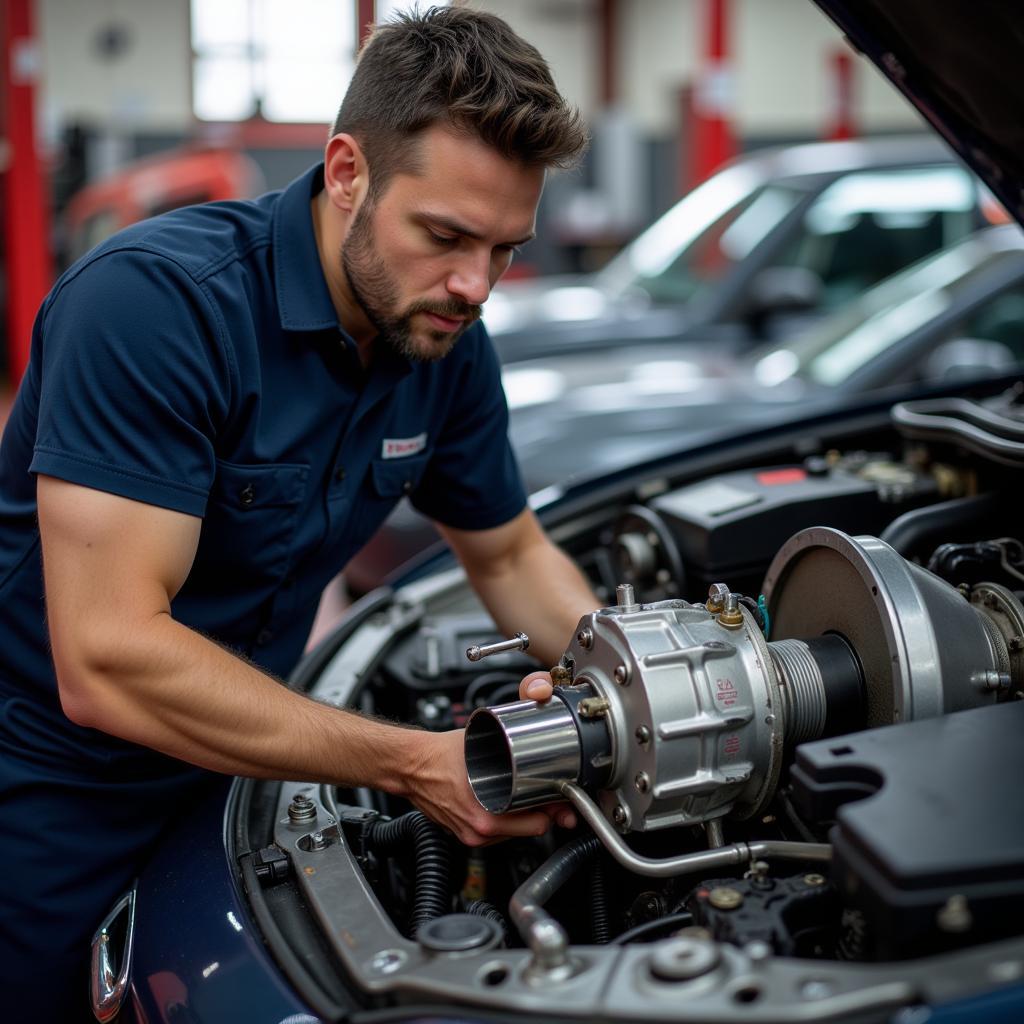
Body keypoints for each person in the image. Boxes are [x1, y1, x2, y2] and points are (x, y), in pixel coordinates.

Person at [0, 7, 596, 1018]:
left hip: (242, 775)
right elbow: (104, 660)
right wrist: (413, 764)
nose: (473, 285)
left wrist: (625, 668)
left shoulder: (440, 339)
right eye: (446, 236)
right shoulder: (156, 310)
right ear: (346, 171)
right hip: (53, 803)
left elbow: (508, 554)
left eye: (503, 249)